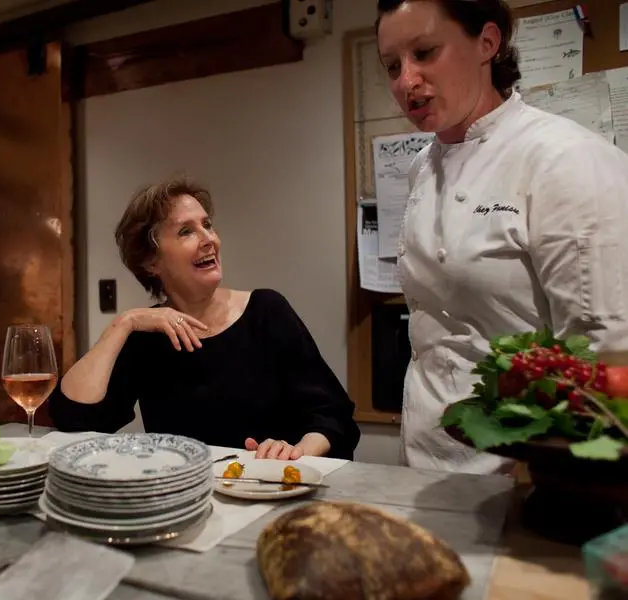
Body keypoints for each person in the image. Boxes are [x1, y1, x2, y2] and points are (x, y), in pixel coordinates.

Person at [376, 0, 628, 473]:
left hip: (527, 468)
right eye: (392, 65)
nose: (406, 81)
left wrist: (550, 478)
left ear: (487, 43)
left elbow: (606, 347)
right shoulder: (421, 168)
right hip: (426, 456)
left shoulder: (564, 159)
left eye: (425, 53)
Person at [48, 178, 360, 459]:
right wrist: (124, 323)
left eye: (207, 225)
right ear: (151, 261)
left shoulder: (267, 311)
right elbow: (73, 420)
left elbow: (334, 416)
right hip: (185, 497)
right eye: (186, 231)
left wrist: (297, 451)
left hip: (272, 488)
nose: (209, 239)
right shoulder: (148, 335)